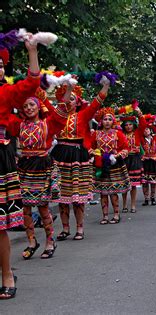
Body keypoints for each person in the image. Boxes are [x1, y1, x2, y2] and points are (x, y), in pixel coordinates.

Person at [0, 34, 40, 299]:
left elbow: (32, 82)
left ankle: (7, 274)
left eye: (0, 64)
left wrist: (32, 51)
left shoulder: (5, 92)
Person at [11, 93, 74, 260]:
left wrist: (67, 89)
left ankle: (50, 241)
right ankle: (32, 242)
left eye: (32, 105)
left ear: (39, 107)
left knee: (43, 208)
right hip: (24, 168)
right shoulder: (19, 125)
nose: (29, 108)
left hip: (42, 167)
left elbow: (62, 108)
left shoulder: (48, 124)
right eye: (25, 106)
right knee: (25, 208)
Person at [52, 80, 110, 241]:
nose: (69, 100)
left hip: (78, 155)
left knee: (77, 197)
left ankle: (79, 228)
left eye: (72, 98)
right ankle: (65, 228)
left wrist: (105, 86)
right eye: (66, 97)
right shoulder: (57, 115)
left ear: (77, 101)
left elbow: (96, 103)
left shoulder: (83, 115)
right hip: (60, 155)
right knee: (61, 195)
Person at [91, 107, 130, 224]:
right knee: (103, 191)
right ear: (101, 121)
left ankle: (116, 214)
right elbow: (90, 147)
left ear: (113, 121)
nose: (107, 121)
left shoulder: (118, 133)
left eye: (109, 119)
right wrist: (94, 154)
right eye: (105, 119)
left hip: (114, 164)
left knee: (113, 191)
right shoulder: (96, 134)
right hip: (100, 164)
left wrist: (116, 156)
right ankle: (105, 216)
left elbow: (126, 148)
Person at [120, 107, 145, 213]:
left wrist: (139, 113)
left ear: (133, 125)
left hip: (134, 159)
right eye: (126, 125)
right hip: (124, 159)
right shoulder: (120, 134)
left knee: (133, 185)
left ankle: (133, 205)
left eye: (130, 124)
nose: (128, 126)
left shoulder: (137, 133)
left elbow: (143, 124)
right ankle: (124, 205)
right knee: (124, 184)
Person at [141, 119, 156, 206]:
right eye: (144, 130)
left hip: (154, 162)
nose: (145, 131)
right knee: (145, 182)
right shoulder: (141, 140)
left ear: (150, 130)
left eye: (147, 129)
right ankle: (146, 199)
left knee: (153, 182)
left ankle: (153, 198)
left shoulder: (155, 138)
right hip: (145, 162)